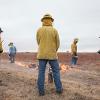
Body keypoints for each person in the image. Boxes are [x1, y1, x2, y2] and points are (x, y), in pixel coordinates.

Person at [36, 14, 63, 96]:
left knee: (41, 72)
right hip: (52, 55)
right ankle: (59, 89)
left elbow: (38, 41)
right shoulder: (54, 30)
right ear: (51, 20)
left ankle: (41, 92)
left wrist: (42, 49)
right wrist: (54, 50)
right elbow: (58, 43)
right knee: (56, 72)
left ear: (43, 20)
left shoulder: (39, 30)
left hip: (41, 55)